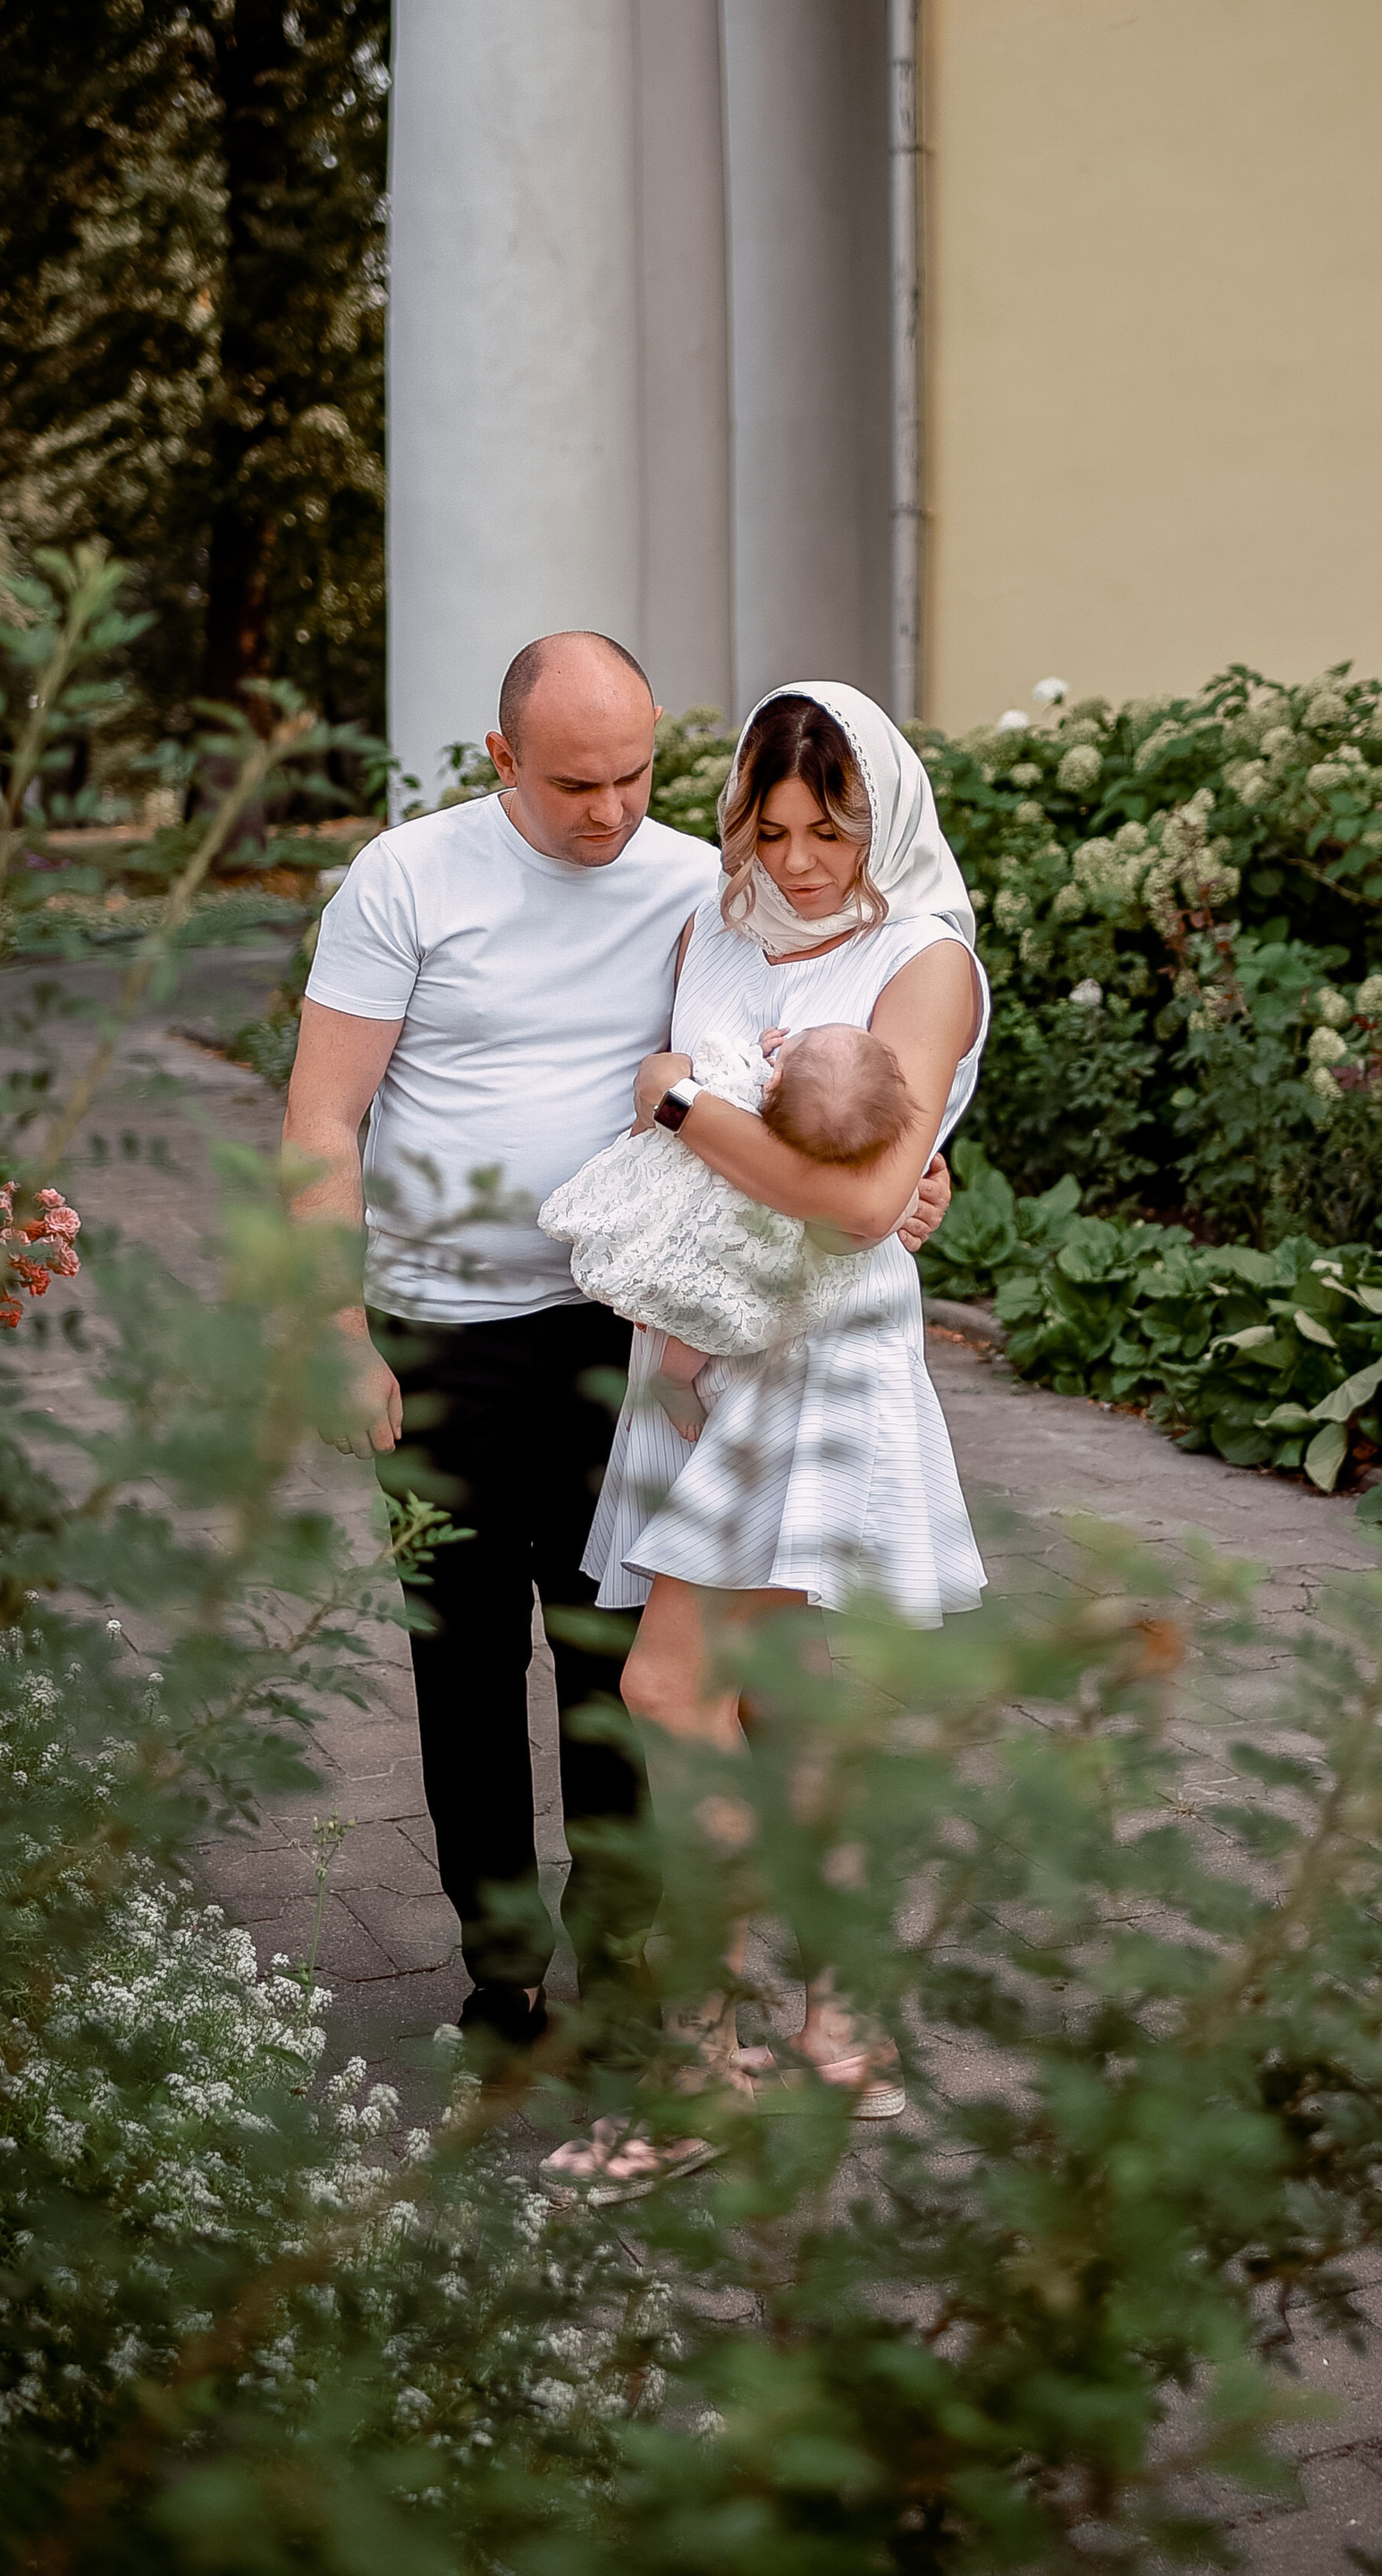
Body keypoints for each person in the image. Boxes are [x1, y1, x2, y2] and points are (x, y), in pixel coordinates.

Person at [282, 634, 950, 2055]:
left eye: (636, 775)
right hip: (443, 1329)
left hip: (634, 1333)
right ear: (500, 758)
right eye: (575, 784)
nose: (610, 811)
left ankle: (630, 1962)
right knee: (465, 1658)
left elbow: (812, 1062)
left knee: (621, 1660)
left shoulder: (707, 889)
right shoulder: (406, 879)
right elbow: (322, 1117)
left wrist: (912, 1177)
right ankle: (503, 1969)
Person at [546, 680, 989, 2180]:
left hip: (813, 1350)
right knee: (778, 1693)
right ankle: (843, 2032)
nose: (800, 864)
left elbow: (861, 1201)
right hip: (698, 1336)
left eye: (831, 831)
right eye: (773, 827)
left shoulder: (923, 962)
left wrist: (680, 1108)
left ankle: (696, 2073)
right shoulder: (716, 928)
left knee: (671, 1687)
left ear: (885, 818)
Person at [538, 1020, 914, 1430]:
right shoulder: (836, 1166)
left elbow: (699, 1075)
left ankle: (670, 1380)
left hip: (698, 1241)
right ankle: (673, 1376)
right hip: (728, 1259)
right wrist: (904, 1207)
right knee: (714, 1321)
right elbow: (841, 1242)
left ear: (774, 1082)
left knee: (707, 1311)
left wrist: (754, 1053)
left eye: (789, 1048)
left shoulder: (738, 1087)